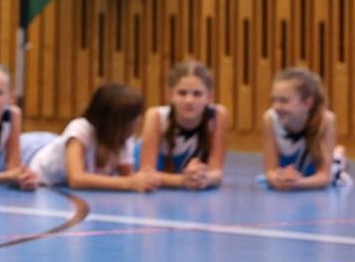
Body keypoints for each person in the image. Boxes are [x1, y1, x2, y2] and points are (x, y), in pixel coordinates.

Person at [28, 83, 157, 192]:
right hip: (41, 176)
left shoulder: (124, 138)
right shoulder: (80, 129)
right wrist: (129, 183)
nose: (140, 121)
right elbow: (76, 179)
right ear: (115, 122)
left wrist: (145, 179)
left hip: (64, 187)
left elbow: (129, 176)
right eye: (134, 117)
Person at [139, 61, 228, 189]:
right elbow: (145, 174)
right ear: (170, 95)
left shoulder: (218, 115)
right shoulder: (156, 116)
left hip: (184, 176)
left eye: (197, 94)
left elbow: (216, 172)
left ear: (209, 97)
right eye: (182, 93)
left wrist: (204, 178)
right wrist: (183, 180)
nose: (189, 100)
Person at [261, 65, 350, 190]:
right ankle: (337, 152)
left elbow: (325, 177)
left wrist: (297, 183)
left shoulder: (325, 121)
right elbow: (270, 172)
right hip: (290, 168)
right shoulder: (270, 118)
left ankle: (338, 155)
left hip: (312, 168)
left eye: (284, 101)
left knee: (335, 170)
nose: (276, 106)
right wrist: (279, 179)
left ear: (307, 103)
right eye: (273, 100)